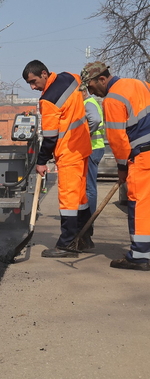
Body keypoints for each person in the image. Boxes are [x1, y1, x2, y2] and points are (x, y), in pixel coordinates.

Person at [81, 61, 150, 271]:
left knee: (139, 205)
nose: (91, 91)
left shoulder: (111, 100)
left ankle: (139, 256)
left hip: (142, 157)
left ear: (102, 79)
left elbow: (118, 140)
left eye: (91, 86)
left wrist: (122, 168)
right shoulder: (140, 84)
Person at [23, 60, 92, 257]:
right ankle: (85, 238)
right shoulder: (70, 78)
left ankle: (67, 244)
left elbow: (51, 136)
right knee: (80, 198)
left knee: (69, 199)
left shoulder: (48, 100)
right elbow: (82, 85)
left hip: (69, 152)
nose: (33, 87)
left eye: (34, 81)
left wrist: (41, 161)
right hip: (83, 147)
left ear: (44, 74)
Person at [80, 83, 105, 214]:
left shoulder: (88, 103)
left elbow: (95, 120)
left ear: (83, 91)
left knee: (89, 187)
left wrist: (85, 135)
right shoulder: (91, 103)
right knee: (88, 186)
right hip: (95, 148)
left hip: (92, 148)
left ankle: (89, 220)